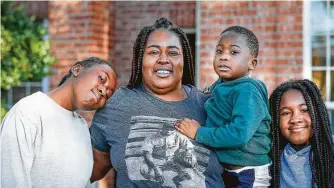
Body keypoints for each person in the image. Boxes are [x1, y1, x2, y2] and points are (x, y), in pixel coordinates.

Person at [89, 17, 224, 188]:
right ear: (140, 59)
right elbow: (92, 169)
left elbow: (238, 169)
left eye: (173, 53)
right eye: (153, 52)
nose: (163, 59)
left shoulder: (210, 106)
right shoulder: (116, 106)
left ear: (185, 61)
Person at [175, 26, 272, 187]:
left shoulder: (248, 91)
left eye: (233, 52)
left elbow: (239, 134)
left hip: (249, 173)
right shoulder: (221, 84)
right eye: (219, 51)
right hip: (228, 170)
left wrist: (199, 133)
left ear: (252, 63)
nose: (224, 57)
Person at [1, 57, 117, 188]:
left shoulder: (82, 127)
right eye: (101, 79)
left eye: (108, 95)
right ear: (77, 69)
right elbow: (10, 180)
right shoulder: (29, 111)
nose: (103, 91)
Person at [269, 79, 334, 188]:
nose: (295, 119)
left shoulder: (332, 150)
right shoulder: (271, 157)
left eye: (304, 110)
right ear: (276, 120)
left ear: (318, 113)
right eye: (286, 113)